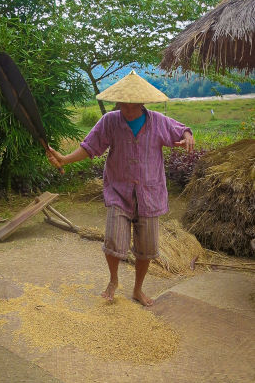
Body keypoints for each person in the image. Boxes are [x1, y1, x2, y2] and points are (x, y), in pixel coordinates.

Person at [46, 71, 194, 306]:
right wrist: (64, 159)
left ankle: (137, 289)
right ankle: (113, 280)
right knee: (114, 241)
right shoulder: (110, 121)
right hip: (119, 191)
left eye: (131, 104)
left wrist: (187, 136)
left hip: (149, 194)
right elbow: (89, 147)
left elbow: (182, 129)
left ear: (141, 103)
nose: (126, 108)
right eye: (122, 103)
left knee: (146, 249)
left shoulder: (157, 121)